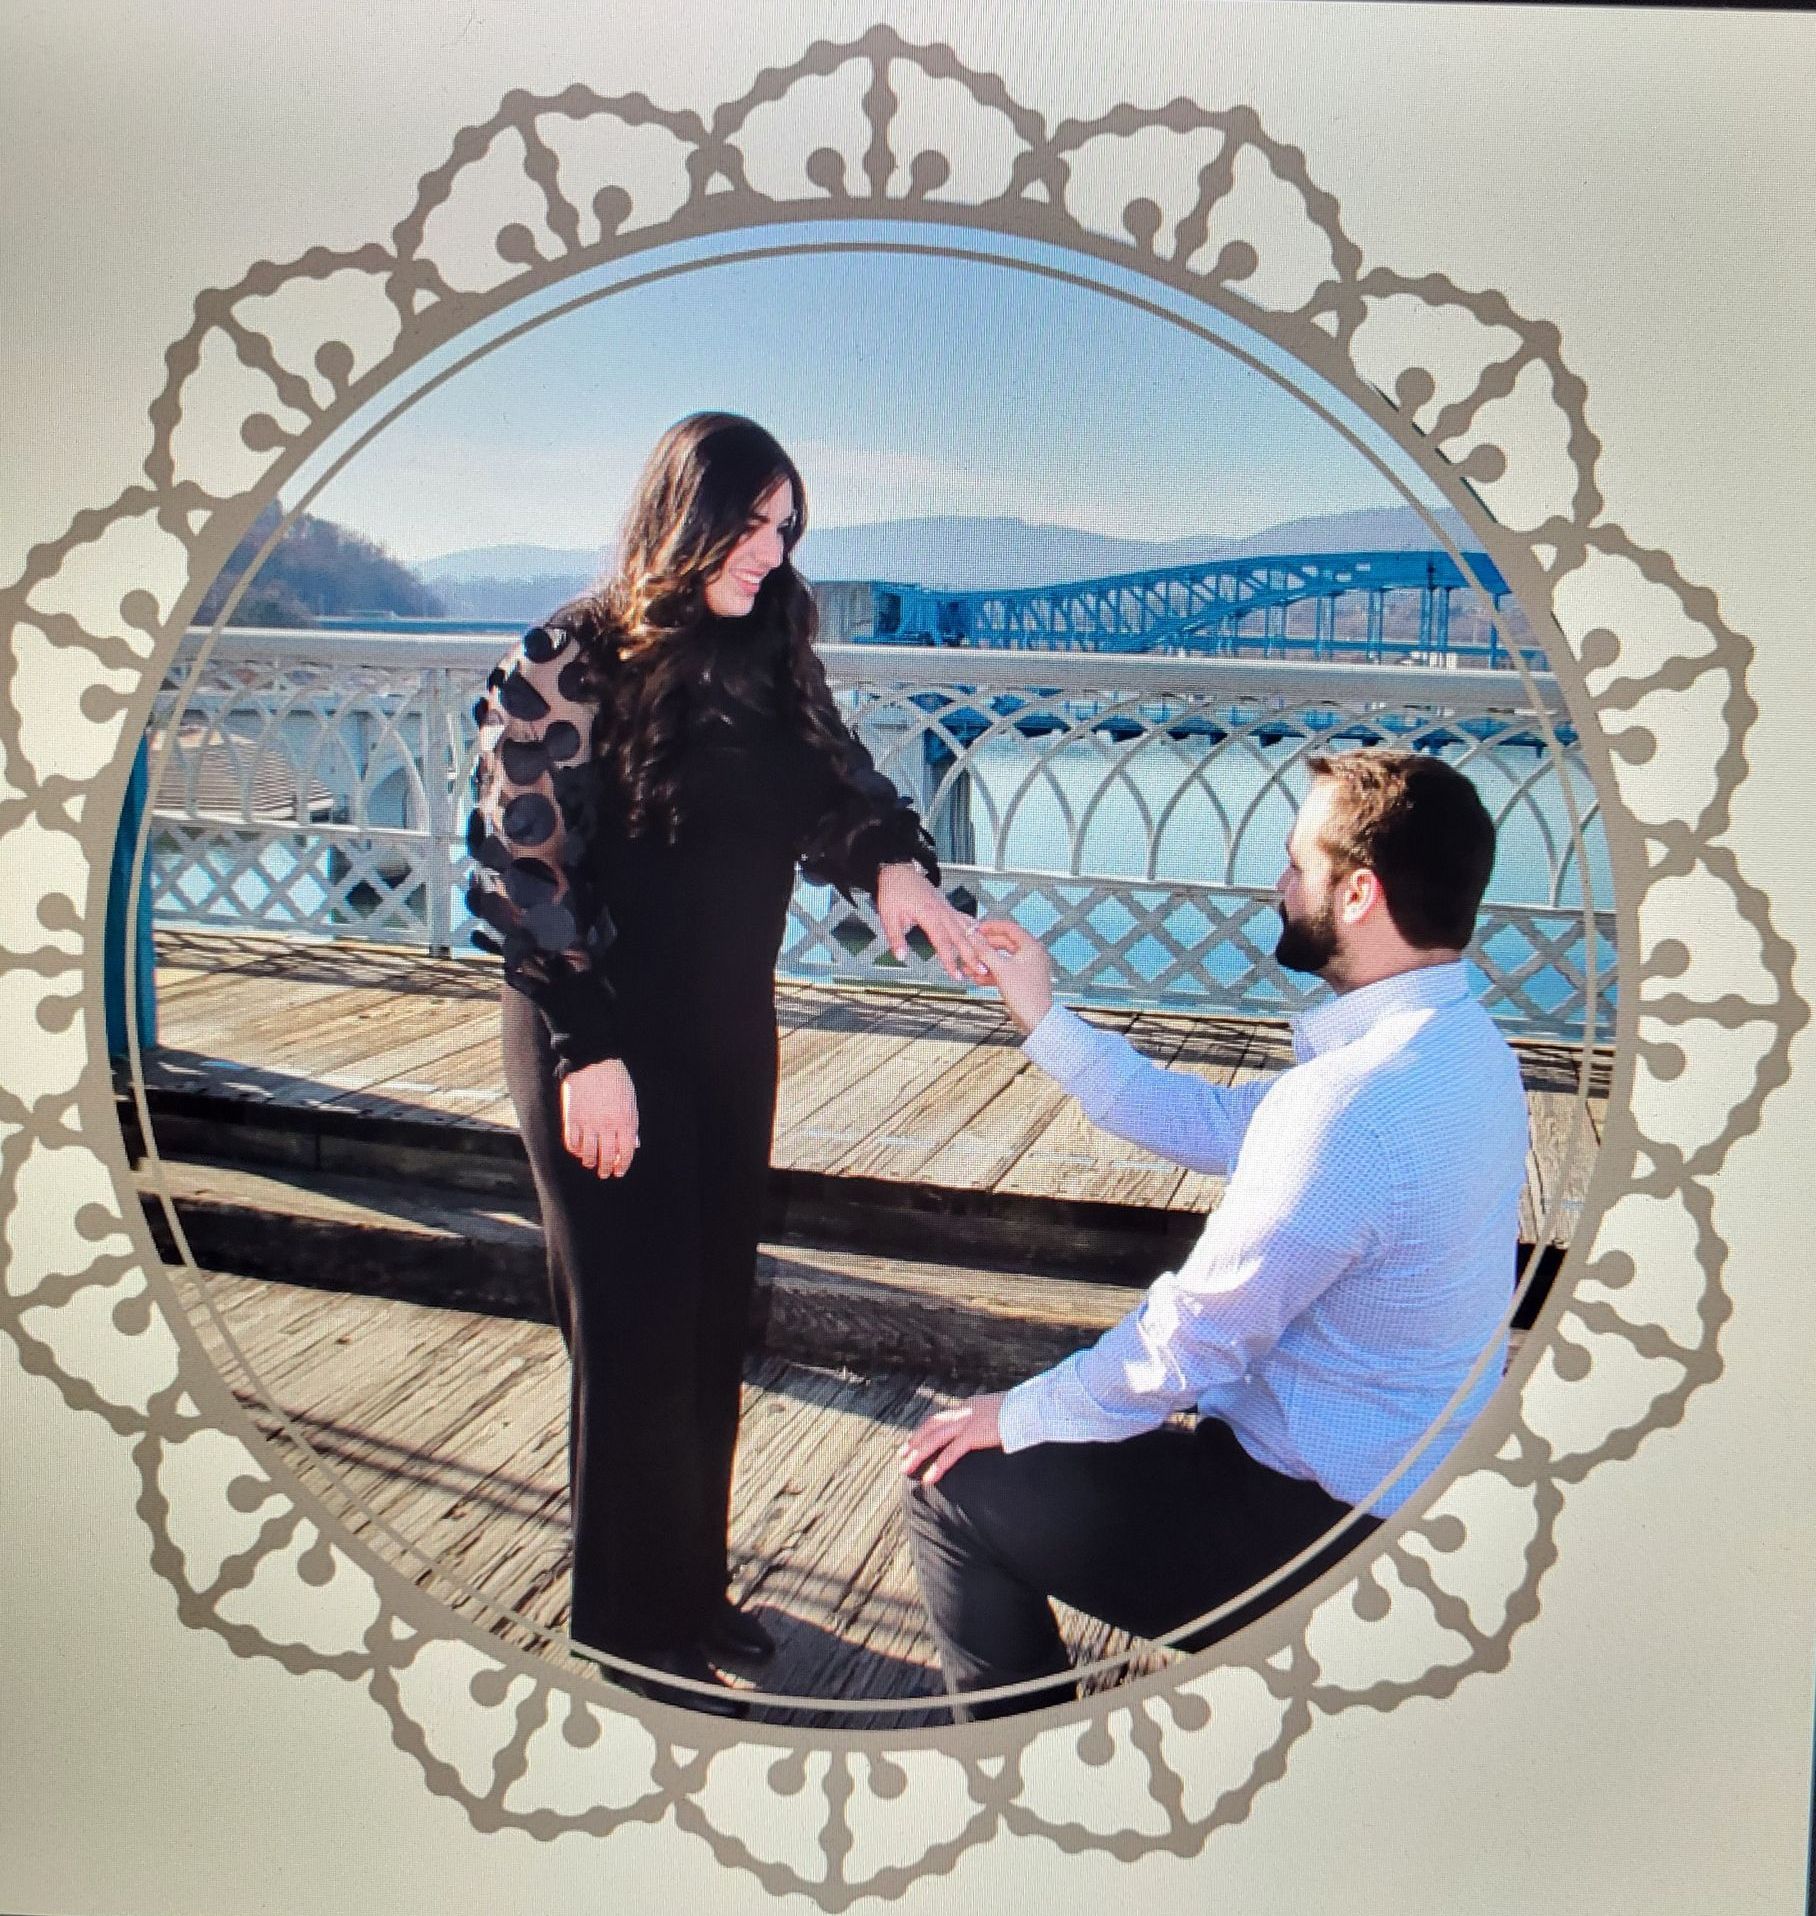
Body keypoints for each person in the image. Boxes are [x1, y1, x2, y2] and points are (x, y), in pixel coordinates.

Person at [467, 412, 983, 1715]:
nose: (771, 551)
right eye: (751, 526)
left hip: (722, 1039)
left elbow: (833, 780)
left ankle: (692, 1593)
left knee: (707, 1326)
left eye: (785, 530)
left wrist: (892, 863)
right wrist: (589, 1049)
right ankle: (627, 1638)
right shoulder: (563, 658)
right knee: (633, 1337)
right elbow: (525, 873)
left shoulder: (764, 649)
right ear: (686, 517)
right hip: (598, 1040)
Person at [900, 748, 1529, 1720]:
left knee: (950, 1485)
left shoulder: (1347, 1108)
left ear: (1357, 891)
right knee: (1075, 1400)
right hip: (1408, 1498)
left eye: (1295, 862)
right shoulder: (1463, 1049)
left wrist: (1011, 1416)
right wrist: (1042, 1012)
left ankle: (1019, 1782)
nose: (1276, 884)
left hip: (1316, 1538)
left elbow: (1190, 1343)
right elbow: (1215, 1124)